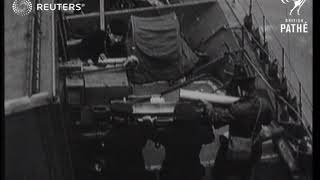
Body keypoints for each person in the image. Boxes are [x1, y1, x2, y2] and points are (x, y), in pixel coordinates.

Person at [202, 77, 273, 180]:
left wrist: (209, 108)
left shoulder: (237, 108)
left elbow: (216, 119)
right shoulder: (264, 104)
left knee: (218, 169)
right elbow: (267, 120)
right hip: (254, 148)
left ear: (241, 91)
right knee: (247, 170)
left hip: (236, 148)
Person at [154, 103, 214, 180]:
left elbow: (154, 135)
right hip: (193, 173)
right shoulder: (199, 132)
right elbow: (210, 136)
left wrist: (147, 122)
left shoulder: (167, 132)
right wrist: (207, 116)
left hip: (171, 174)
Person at [103, 103, 155, 180]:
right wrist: (148, 121)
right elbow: (150, 132)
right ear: (129, 118)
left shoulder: (110, 135)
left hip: (116, 175)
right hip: (136, 174)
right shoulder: (137, 132)